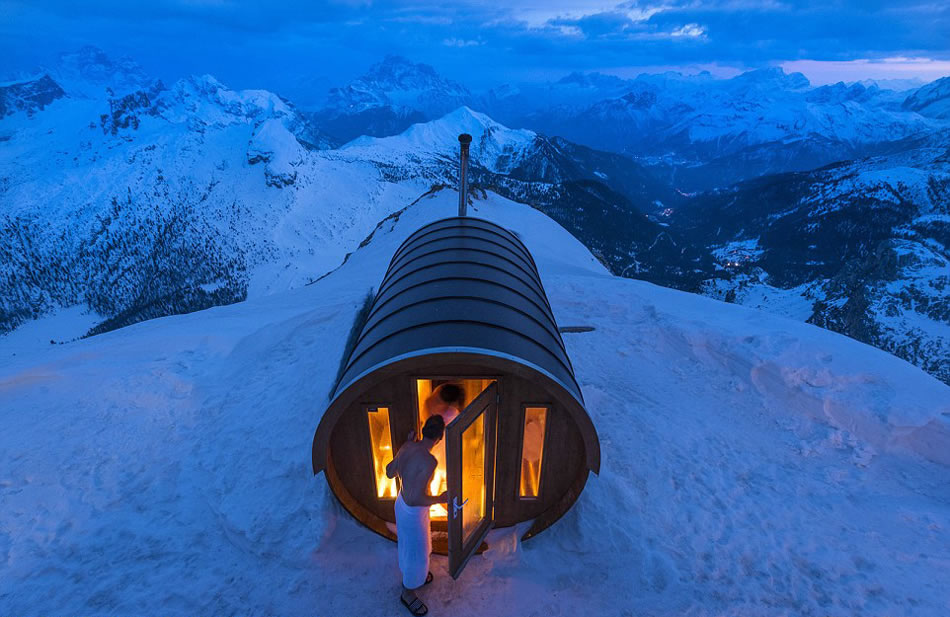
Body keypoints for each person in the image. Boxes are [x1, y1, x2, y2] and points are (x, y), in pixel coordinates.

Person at [386, 414, 448, 616]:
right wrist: (440, 498)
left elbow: (389, 472)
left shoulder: (407, 446)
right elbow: (416, 498)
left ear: (423, 431)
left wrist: (404, 447)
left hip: (401, 504)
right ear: (440, 437)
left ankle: (415, 576)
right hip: (412, 511)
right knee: (417, 554)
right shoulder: (429, 461)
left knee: (410, 546)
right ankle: (408, 592)